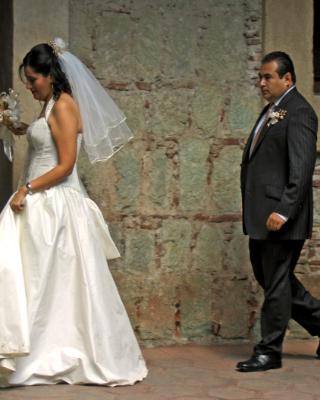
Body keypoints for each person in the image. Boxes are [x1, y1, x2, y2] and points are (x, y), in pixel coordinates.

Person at [0, 38, 147, 386]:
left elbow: (65, 165)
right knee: (35, 279)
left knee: (52, 280)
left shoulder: (64, 105)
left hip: (55, 201)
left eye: (33, 79)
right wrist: (19, 127)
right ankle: (25, 345)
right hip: (41, 201)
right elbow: (46, 142)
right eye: (26, 79)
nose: (29, 85)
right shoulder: (50, 104)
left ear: (51, 75)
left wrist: (27, 188)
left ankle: (45, 352)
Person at [237, 51, 320, 372]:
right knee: (272, 278)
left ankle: (269, 351)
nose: (261, 82)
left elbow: (301, 169)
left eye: (268, 76)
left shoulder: (299, 113)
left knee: (276, 283)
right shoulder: (273, 110)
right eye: (260, 76)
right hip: (263, 215)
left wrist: (284, 211)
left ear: (288, 79)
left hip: (281, 217)